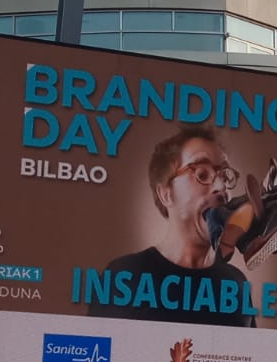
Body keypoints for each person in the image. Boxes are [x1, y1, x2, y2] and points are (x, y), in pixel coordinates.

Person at [88, 126, 256, 328]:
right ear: (166, 194)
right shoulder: (123, 276)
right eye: (202, 173)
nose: (221, 188)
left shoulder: (236, 283)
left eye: (224, 176)